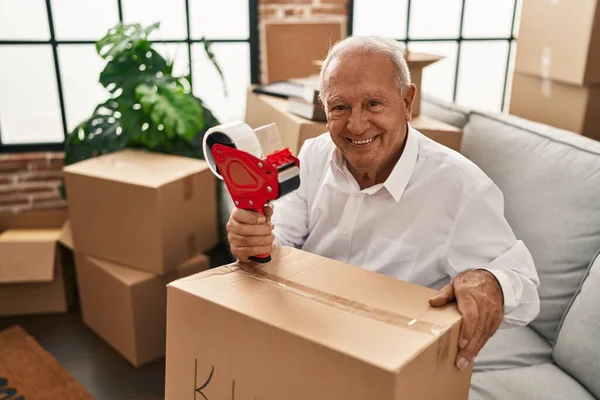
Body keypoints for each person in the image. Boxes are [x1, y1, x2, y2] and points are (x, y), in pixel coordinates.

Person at [226, 36, 540, 371]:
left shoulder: (462, 187)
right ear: (324, 106)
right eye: (340, 107)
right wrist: (253, 240)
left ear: (407, 101)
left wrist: (490, 279)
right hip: (306, 335)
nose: (356, 125)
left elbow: (522, 286)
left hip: (390, 361)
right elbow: (279, 244)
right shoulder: (313, 154)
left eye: (374, 103)